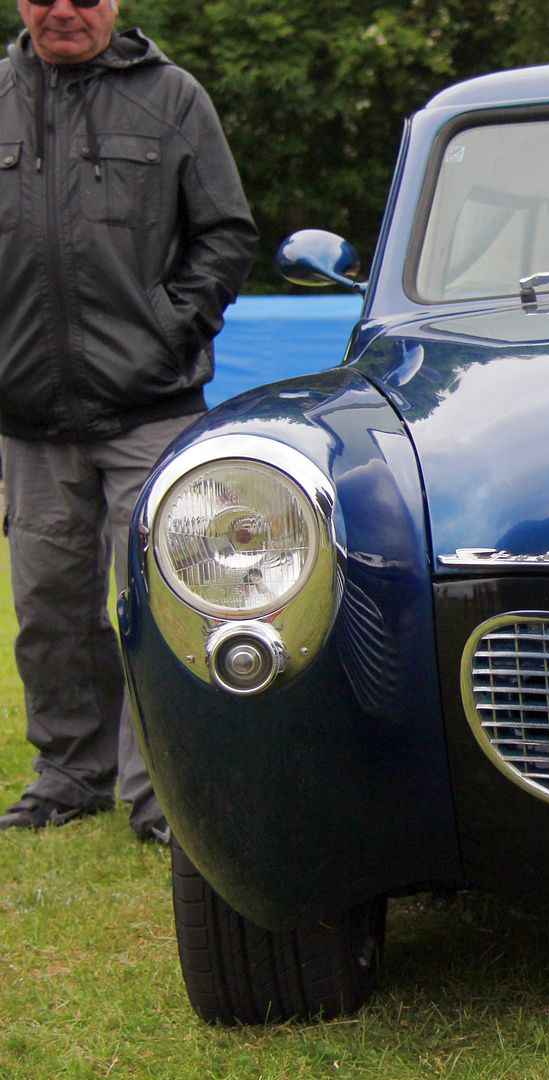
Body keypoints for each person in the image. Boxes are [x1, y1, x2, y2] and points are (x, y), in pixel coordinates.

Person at [0, 0, 256, 843]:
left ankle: (162, 798)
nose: (63, 10)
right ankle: (72, 774)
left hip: (149, 407)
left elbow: (224, 232)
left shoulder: (173, 97)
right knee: (49, 607)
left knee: (160, 603)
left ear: (114, 2)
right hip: (29, 414)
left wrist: (169, 328)